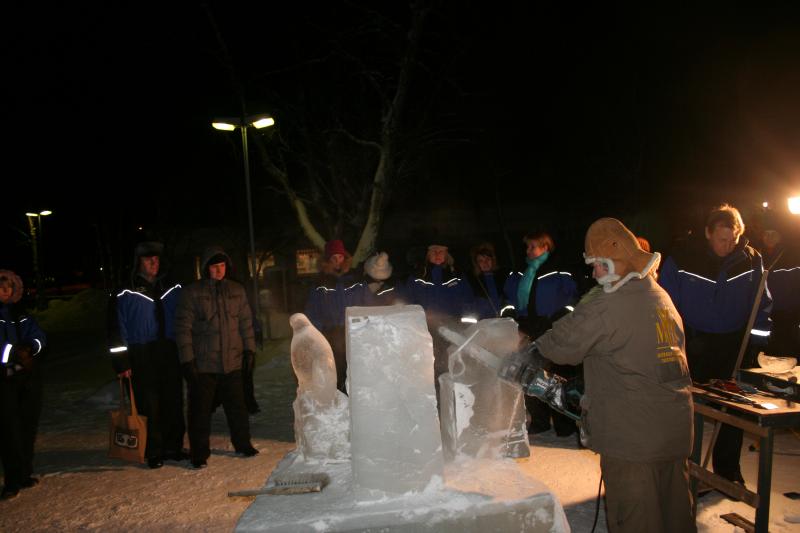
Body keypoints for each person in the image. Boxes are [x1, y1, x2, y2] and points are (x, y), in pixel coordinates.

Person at [533, 218, 696, 533]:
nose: (594, 274)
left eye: (599, 265)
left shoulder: (608, 305)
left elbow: (560, 347)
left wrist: (528, 345)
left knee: (636, 519)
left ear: (618, 262)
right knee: (674, 513)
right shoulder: (660, 296)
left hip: (632, 438)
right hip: (674, 430)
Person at [659, 204, 772, 486]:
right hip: (692, 341)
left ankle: (727, 470)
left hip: (732, 344)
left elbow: (762, 302)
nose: (728, 246)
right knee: (687, 407)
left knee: (734, 408)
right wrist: (670, 340)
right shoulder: (682, 256)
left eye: (733, 239)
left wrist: (756, 342)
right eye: (722, 239)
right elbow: (664, 302)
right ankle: (683, 469)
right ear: (708, 233)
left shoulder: (751, 260)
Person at [175, 246, 259, 469]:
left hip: (232, 362)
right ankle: (199, 453)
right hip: (204, 365)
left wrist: (249, 351)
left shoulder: (237, 290)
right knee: (199, 412)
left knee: (238, 408)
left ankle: (243, 444)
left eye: (222, 266)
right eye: (214, 266)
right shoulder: (192, 293)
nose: (219, 270)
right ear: (206, 268)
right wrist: (187, 360)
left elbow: (246, 323)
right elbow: (183, 328)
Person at [107, 241, 187, 469]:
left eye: (156, 258)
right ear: (138, 262)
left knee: (173, 400)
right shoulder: (125, 292)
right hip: (141, 353)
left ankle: (174, 447)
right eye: (148, 259)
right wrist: (121, 362)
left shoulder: (173, 288)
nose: (153, 262)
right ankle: (154, 450)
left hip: (169, 350)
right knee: (148, 404)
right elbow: (115, 329)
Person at [505, 231, 579, 437]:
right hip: (525, 328)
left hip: (554, 329)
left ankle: (564, 423)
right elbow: (508, 300)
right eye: (527, 247)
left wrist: (554, 321)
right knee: (529, 373)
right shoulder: (518, 273)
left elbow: (572, 302)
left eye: (533, 246)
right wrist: (511, 318)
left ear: (546, 247)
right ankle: (539, 420)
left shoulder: (559, 271)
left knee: (557, 377)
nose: (528, 250)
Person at [404, 240, 472, 401]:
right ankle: (432, 402)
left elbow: (468, 302)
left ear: (447, 254)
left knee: (454, 367)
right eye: (433, 251)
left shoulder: (457, 276)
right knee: (428, 369)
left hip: (453, 330)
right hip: (426, 330)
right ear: (428, 254)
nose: (437, 254)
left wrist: (465, 327)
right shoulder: (417, 277)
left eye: (441, 251)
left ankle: (456, 401)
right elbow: (408, 303)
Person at [0, 270, 47, 500]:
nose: (4, 290)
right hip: (4, 380)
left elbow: (39, 337)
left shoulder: (23, 315)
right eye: (0, 286)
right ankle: (12, 479)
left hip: (27, 379)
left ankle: (24, 473)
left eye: (8, 286)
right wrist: (13, 352)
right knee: (9, 430)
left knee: (27, 426)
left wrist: (31, 347)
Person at [304, 239, 361, 394]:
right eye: (333, 257)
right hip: (330, 334)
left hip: (353, 332)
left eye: (340, 257)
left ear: (345, 258)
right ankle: (338, 397)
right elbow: (313, 310)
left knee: (355, 371)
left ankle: (353, 399)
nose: (337, 261)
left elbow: (365, 303)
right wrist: (316, 333)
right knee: (334, 371)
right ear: (328, 259)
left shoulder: (354, 279)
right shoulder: (320, 283)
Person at [759, 228, 800, 358]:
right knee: (768, 351)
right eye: (766, 233)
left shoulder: (792, 253)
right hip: (765, 310)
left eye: (774, 234)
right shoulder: (756, 254)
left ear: (781, 236)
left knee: (788, 350)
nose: (769, 237)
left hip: (788, 312)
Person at [464, 242, 515, 320]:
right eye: (481, 261)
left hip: (504, 321)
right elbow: (469, 306)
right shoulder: (473, 281)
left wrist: (508, 315)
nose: (485, 263)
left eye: (487, 259)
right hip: (484, 322)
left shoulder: (503, 276)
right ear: (476, 263)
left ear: (493, 260)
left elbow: (510, 300)